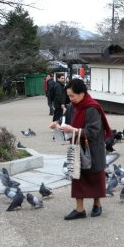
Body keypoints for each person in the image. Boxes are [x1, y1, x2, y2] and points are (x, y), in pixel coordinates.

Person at [48, 79, 113, 220]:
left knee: (95, 175)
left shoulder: (92, 108)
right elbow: (65, 118)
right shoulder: (74, 106)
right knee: (77, 176)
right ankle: (79, 209)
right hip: (77, 145)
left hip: (93, 148)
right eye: (69, 96)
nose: (70, 99)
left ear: (82, 93)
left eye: (72, 95)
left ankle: (97, 204)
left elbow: (94, 131)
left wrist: (74, 130)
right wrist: (57, 123)